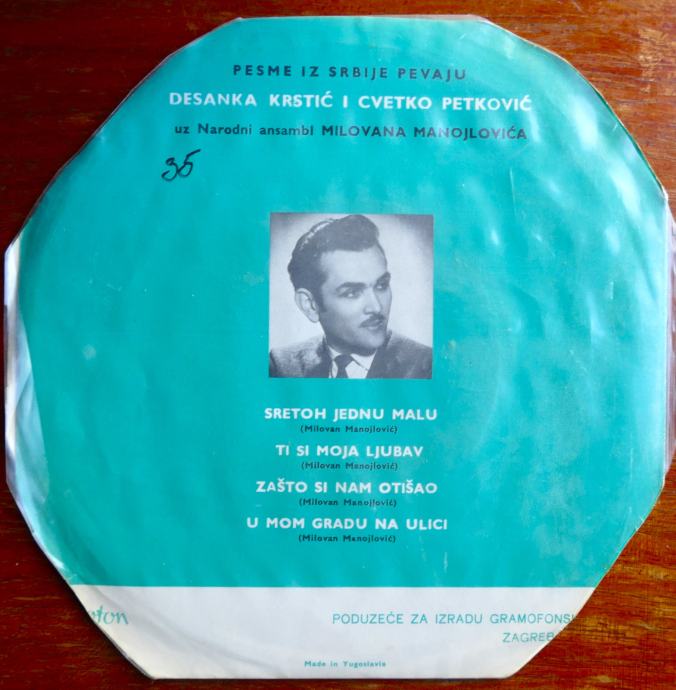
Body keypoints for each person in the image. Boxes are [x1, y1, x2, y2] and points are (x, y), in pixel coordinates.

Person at [269, 214, 432, 379]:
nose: (376, 307)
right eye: (352, 293)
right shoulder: (282, 367)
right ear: (310, 305)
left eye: (381, 285)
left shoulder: (425, 367)